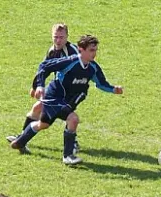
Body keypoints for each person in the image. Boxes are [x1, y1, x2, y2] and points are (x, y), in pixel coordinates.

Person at [9, 34, 123, 165]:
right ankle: (68, 156)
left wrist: (114, 89)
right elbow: (44, 66)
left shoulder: (93, 67)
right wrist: (40, 85)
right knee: (73, 119)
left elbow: (101, 83)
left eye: (96, 50)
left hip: (66, 101)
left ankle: (20, 142)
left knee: (43, 124)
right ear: (81, 49)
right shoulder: (70, 62)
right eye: (91, 50)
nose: (94, 53)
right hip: (54, 97)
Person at [6, 23, 80, 154]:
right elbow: (44, 68)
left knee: (67, 115)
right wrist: (36, 86)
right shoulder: (52, 50)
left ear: (67, 37)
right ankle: (22, 137)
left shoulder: (73, 52)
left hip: (71, 92)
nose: (58, 40)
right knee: (37, 108)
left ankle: (72, 144)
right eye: (55, 37)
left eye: (61, 37)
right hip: (58, 89)